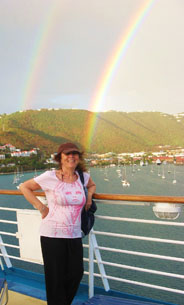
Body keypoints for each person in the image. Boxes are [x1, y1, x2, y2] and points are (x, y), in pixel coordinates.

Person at [20, 142, 96, 305]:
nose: (71, 156)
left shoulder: (83, 177)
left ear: (79, 157)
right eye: (67, 154)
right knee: (55, 277)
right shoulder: (50, 176)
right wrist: (41, 207)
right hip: (52, 234)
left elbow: (92, 185)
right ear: (60, 158)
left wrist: (89, 196)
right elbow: (24, 187)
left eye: (75, 153)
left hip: (74, 234)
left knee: (76, 273)